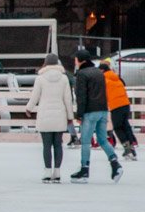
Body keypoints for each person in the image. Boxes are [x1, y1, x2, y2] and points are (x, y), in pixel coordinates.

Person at [71, 49, 123, 183]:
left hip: (90, 112)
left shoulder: (82, 74)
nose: (75, 62)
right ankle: (115, 164)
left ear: (81, 60)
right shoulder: (99, 73)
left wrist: (79, 115)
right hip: (103, 110)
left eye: (76, 59)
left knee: (85, 142)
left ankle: (84, 170)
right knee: (103, 140)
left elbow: (81, 96)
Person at [25, 53, 73, 183]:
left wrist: (29, 108)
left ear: (46, 63)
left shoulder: (40, 78)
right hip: (60, 115)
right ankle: (57, 173)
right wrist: (70, 116)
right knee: (58, 145)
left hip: (45, 115)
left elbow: (35, 96)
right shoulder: (64, 78)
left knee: (46, 145)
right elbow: (68, 99)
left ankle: (47, 172)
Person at [101, 60, 138, 161]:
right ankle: (132, 148)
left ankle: (127, 148)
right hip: (125, 104)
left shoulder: (104, 80)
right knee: (125, 126)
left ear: (102, 70)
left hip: (116, 106)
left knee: (118, 127)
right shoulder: (116, 78)